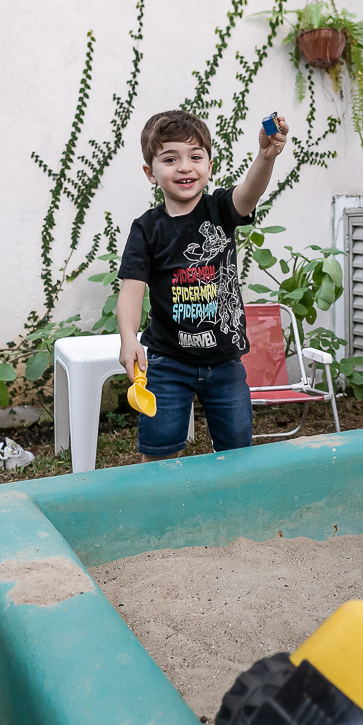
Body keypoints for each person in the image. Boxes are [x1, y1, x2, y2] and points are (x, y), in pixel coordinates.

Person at [116, 109, 288, 461]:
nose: (185, 167)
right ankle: (161, 508)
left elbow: (249, 193)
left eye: (196, 157)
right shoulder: (147, 229)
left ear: (209, 167)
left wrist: (265, 157)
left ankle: (230, 509)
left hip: (225, 362)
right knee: (160, 450)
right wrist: (129, 338)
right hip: (167, 363)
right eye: (170, 158)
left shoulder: (221, 210)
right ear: (151, 173)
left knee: (237, 451)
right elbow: (131, 292)